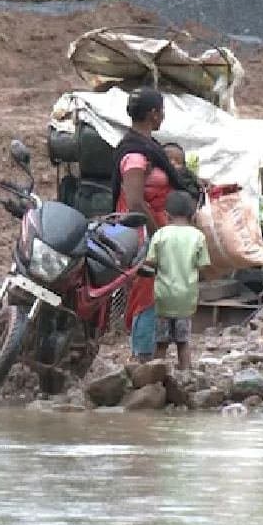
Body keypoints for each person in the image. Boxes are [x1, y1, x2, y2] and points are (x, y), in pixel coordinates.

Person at [111, 87, 188, 362]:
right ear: (154, 114)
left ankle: (152, 356)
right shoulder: (135, 155)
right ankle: (142, 355)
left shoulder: (149, 148)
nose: (163, 116)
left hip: (153, 227)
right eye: (161, 111)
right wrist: (160, 232)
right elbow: (134, 202)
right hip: (142, 231)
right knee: (146, 292)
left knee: (156, 291)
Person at [146, 190, 210, 370]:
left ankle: (154, 376)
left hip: (163, 297)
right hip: (186, 299)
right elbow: (203, 266)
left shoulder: (160, 235)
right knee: (183, 342)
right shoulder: (198, 236)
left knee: (161, 343)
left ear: (166, 214)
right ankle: (186, 374)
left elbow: (150, 263)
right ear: (192, 215)